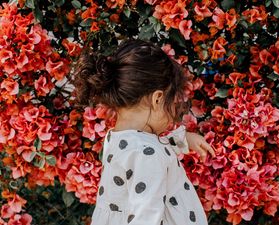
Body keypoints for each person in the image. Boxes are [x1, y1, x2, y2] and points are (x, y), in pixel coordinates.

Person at [72, 38, 216, 225]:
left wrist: (183, 139)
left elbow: (147, 148)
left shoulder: (116, 138)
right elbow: (146, 216)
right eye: (173, 102)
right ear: (157, 99)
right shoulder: (148, 154)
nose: (174, 115)